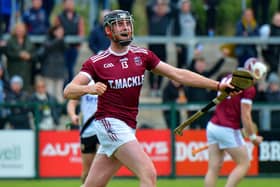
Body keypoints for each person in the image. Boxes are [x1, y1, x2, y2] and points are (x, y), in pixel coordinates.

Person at [63, 10, 237, 187]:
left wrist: (217, 85)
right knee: (149, 174)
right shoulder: (97, 62)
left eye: (128, 23)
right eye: (120, 24)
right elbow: (68, 90)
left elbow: (178, 74)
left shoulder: (142, 55)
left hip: (128, 126)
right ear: (108, 30)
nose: (126, 28)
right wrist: (89, 88)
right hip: (109, 123)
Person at [204, 58, 267, 187]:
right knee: (244, 163)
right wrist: (253, 137)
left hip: (213, 125)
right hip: (228, 128)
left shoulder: (228, 77)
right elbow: (246, 115)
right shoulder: (248, 87)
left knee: (213, 168)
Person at [67, 81, 99, 186]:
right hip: (87, 131)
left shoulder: (107, 80)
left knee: (100, 168)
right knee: (87, 171)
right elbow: (71, 103)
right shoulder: (85, 83)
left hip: (102, 130)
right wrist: (73, 115)